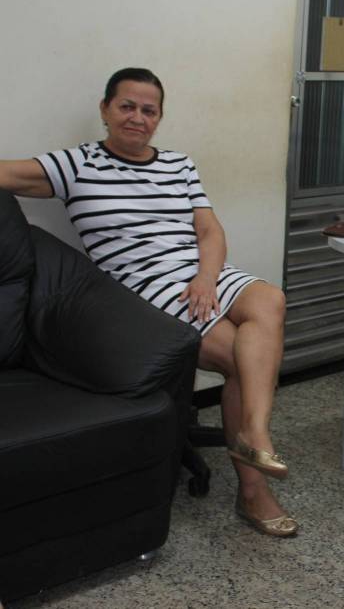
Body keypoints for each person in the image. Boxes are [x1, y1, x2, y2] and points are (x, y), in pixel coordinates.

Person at [0, 68, 296, 537]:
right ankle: (253, 491)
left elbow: (209, 231)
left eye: (149, 110)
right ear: (105, 109)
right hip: (146, 289)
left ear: (159, 117)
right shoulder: (77, 165)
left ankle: (253, 433)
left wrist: (206, 278)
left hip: (201, 276)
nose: (138, 118)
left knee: (270, 299)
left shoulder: (179, 164)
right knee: (242, 359)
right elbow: (7, 173)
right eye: (127, 106)